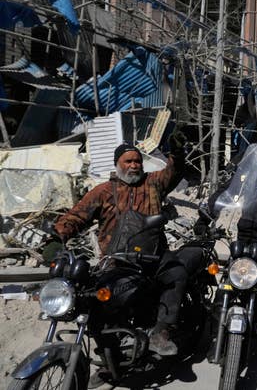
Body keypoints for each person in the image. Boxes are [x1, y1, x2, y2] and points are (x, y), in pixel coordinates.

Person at [54, 131, 197, 364]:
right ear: (117, 164)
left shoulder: (154, 183)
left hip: (153, 255)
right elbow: (76, 216)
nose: (134, 165)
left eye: (137, 161)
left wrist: (177, 152)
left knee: (177, 273)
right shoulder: (103, 191)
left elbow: (175, 171)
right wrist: (57, 237)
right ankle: (110, 359)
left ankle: (161, 332)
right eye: (128, 161)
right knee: (98, 304)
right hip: (116, 259)